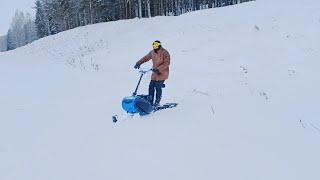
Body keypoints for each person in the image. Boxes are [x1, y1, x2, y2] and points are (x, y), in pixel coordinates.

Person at [134, 40, 171, 106]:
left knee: (158, 87)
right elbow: (146, 58)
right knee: (151, 87)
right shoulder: (152, 52)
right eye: (154, 45)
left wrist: (159, 69)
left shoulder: (165, 52)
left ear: (159, 45)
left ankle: (157, 102)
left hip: (162, 73)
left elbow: (167, 63)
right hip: (154, 73)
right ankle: (150, 102)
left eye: (156, 45)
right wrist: (138, 63)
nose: (155, 47)